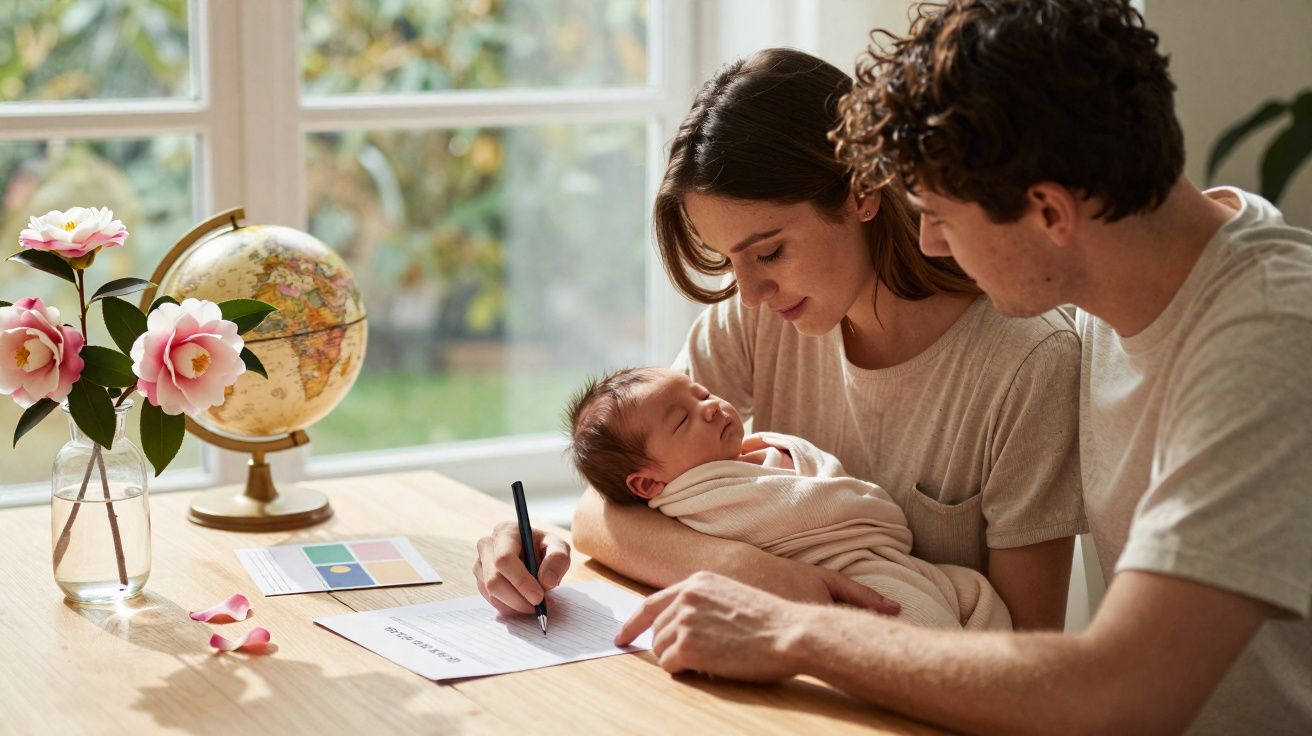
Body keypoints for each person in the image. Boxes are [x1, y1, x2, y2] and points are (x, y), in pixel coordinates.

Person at [605, 1, 1312, 733]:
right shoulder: (1119, 298)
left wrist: (791, 628)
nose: (931, 245)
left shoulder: (1266, 343)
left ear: (1049, 213)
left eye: (941, 216)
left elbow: (1121, 690)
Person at [475, 46, 1087, 633]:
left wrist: (804, 622)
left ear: (862, 190)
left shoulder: (1026, 364)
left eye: (768, 252)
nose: (749, 292)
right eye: (730, 260)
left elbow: (1028, 652)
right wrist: (753, 571)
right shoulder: (760, 320)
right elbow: (600, 511)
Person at [568, 365, 1012, 630]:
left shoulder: (745, 453)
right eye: (683, 421)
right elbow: (826, 512)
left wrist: (783, 456)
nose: (709, 406)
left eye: (701, 393)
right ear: (647, 485)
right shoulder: (696, 498)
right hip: (851, 578)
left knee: (971, 593)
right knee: (915, 623)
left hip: (879, 564)